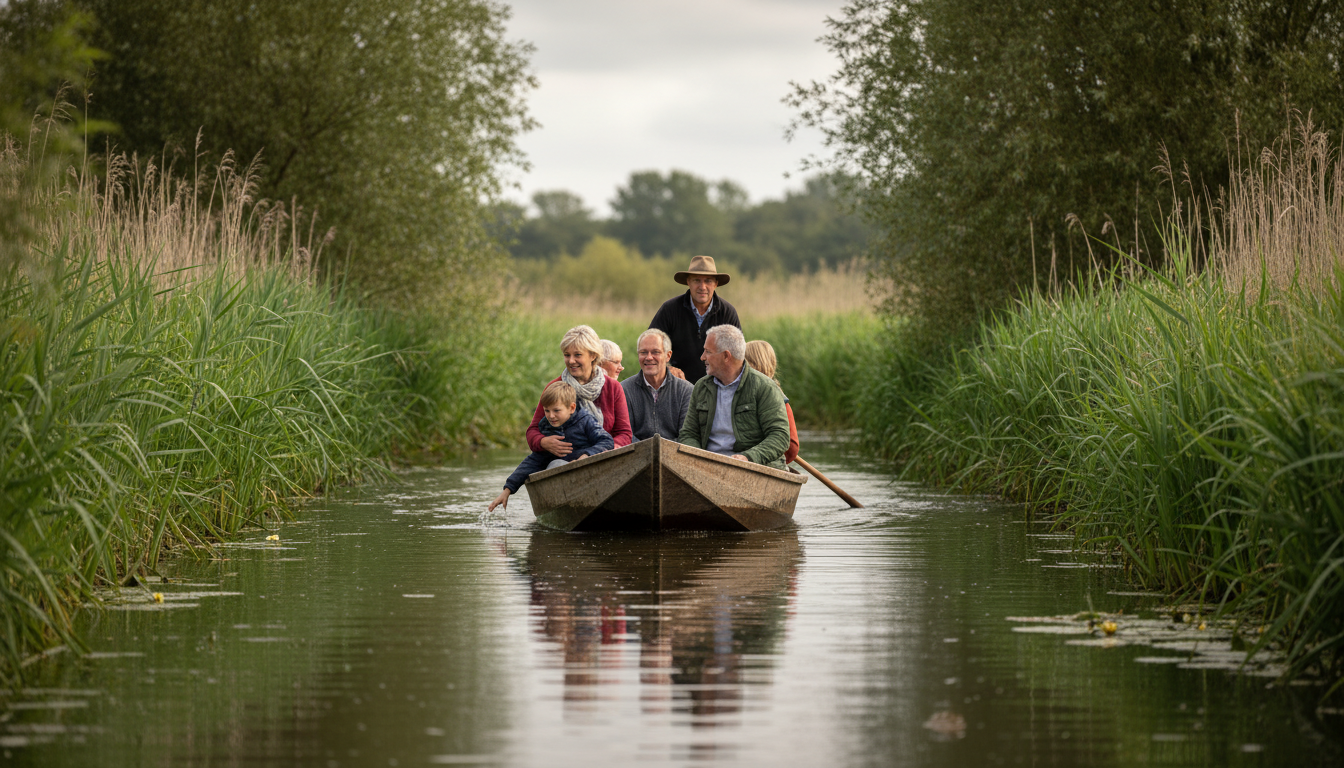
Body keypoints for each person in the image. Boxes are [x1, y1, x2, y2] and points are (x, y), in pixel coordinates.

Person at [677, 325, 790, 469]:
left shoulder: (765, 387)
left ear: (726, 356)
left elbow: (780, 436)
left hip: (754, 469)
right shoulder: (701, 387)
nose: (702, 357)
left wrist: (748, 457)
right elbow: (689, 433)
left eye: (708, 351)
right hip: (709, 467)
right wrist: (698, 458)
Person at [489, 381, 613, 511]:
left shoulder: (586, 420)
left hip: (588, 474)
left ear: (571, 408)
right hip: (562, 481)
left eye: (556, 410)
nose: (551, 416)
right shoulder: (547, 428)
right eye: (546, 411)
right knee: (556, 463)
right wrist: (507, 490)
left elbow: (606, 441)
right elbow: (534, 461)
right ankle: (561, 508)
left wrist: (585, 457)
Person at [526, 325, 633, 458]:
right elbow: (533, 431)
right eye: (567, 355)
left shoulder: (613, 387)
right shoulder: (555, 387)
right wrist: (543, 442)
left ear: (593, 356)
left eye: (577, 355)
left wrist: (608, 450)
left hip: (604, 459)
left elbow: (624, 433)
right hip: (562, 461)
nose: (571, 361)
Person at [648, 255, 741, 383]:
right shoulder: (670, 309)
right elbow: (650, 345)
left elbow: (737, 355)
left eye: (708, 281)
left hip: (717, 386)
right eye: (697, 280)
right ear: (688, 282)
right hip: (675, 385)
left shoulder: (727, 312)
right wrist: (666, 368)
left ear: (715, 284)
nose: (702, 286)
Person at [622, 328, 694, 441]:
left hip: (675, 452)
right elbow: (625, 433)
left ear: (668, 355)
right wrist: (647, 449)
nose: (649, 357)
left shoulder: (686, 391)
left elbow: (687, 435)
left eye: (656, 352)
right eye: (643, 352)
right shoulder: (624, 390)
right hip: (636, 452)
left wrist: (664, 449)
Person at [744, 340, 800, 465]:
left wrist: (763, 456)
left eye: (743, 363)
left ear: (755, 365)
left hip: (766, 463)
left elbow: (791, 447)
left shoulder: (779, 399)